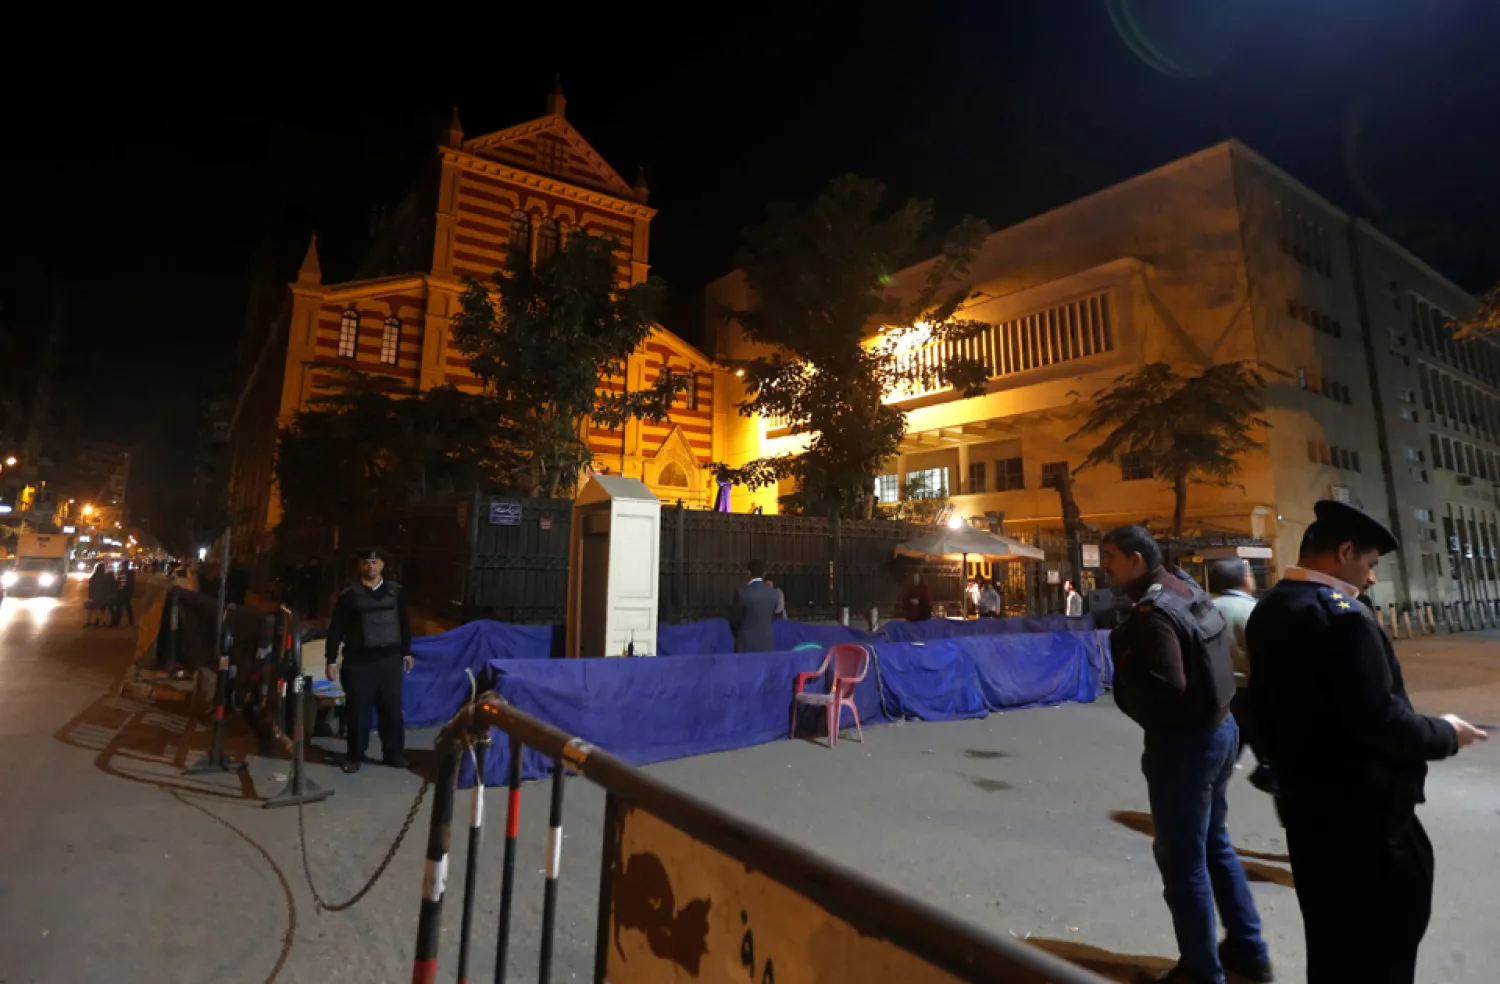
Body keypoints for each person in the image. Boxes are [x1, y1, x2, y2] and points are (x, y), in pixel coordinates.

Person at [1247, 500, 1486, 983]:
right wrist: (1447, 734)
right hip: (1368, 822)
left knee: (1333, 946)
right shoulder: (1342, 618)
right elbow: (1381, 719)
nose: (1373, 579)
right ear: (1345, 550)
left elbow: (1259, 708)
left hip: (1307, 810)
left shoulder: (1271, 608)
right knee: (1383, 950)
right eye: (1370, 565)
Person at [1100, 525, 1272, 984]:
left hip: (1186, 745)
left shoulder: (1153, 611)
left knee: (1183, 860)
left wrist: (1129, 696)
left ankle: (1200, 971)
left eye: (1111, 557)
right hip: (1221, 727)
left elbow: (1167, 685)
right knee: (1214, 844)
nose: (1106, 567)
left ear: (1137, 560)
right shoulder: (1185, 588)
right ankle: (1248, 948)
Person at [324, 547, 414, 774]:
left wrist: (406, 652)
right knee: (358, 711)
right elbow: (336, 629)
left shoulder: (396, 592)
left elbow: (403, 623)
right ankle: (354, 756)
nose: (370, 566)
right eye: (366, 562)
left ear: (382, 565)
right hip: (359, 662)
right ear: (360, 566)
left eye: (375, 562)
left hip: (389, 660)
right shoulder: (349, 596)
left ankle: (393, 754)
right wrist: (331, 659)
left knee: (391, 710)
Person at [1207, 559, 1274, 794]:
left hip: (1217, 695)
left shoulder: (1205, 610)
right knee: (1275, 763)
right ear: (1245, 579)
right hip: (1252, 696)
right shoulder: (1255, 611)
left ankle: (1206, 816)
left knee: (1217, 763)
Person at [729, 559, 779, 653]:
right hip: (767, 643)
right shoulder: (773, 593)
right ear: (764, 574)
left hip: (746, 644)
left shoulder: (742, 593)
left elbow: (734, 621)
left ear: (749, 573)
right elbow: (772, 617)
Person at [86, 563, 115, 628]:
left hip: (94, 595)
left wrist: (90, 595)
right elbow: (106, 588)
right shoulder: (104, 577)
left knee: (94, 609)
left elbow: (90, 586)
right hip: (101, 596)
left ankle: (91, 622)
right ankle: (100, 621)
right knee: (96, 609)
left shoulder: (94, 576)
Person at [110, 561, 137, 628]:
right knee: (121, 607)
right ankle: (118, 621)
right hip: (121, 592)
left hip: (126, 592)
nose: (124, 566)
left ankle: (129, 621)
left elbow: (131, 584)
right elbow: (119, 581)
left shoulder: (130, 573)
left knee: (126, 607)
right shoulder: (122, 572)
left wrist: (129, 592)